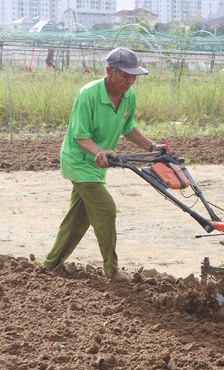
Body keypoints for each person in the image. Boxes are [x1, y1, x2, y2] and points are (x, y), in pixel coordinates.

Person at [43, 47, 162, 281]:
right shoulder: (88, 95)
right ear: (109, 71)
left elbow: (128, 128)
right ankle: (112, 269)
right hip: (79, 162)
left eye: (134, 76)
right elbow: (80, 135)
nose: (130, 82)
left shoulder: (129, 97)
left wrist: (152, 147)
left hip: (98, 164)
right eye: (125, 76)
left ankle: (49, 267)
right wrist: (98, 152)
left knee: (78, 219)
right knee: (106, 209)